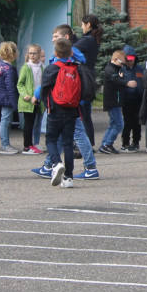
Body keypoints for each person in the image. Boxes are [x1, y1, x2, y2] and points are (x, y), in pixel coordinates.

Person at [30, 26, 101, 182]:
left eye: (56, 36)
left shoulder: (58, 61)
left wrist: (37, 96)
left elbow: (46, 85)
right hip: (74, 104)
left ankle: (89, 166)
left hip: (58, 105)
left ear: (66, 37)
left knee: (64, 136)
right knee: (67, 140)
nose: (53, 39)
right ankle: (53, 167)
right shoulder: (78, 59)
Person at [39, 38, 81, 189]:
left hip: (55, 110)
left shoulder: (51, 68)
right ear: (71, 52)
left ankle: (56, 163)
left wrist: (46, 103)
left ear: (55, 53)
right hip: (71, 111)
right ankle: (69, 177)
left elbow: (44, 89)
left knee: (51, 139)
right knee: (68, 143)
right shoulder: (76, 68)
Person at [74, 14, 102, 147]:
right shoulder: (94, 39)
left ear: (88, 25)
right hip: (89, 78)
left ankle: (85, 145)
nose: (81, 27)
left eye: (82, 24)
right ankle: (89, 143)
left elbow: (70, 49)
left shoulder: (87, 40)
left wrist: (71, 38)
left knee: (83, 114)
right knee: (86, 114)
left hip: (83, 79)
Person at [99, 48, 133, 154]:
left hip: (115, 100)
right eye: (121, 63)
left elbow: (116, 78)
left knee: (113, 123)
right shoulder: (110, 69)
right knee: (119, 124)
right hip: (112, 101)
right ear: (115, 59)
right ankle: (108, 143)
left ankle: (105, 144)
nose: (122, 66)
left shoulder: (115, 69)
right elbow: (115, 79)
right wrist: (126, 82)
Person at [0, 41, 20, 154]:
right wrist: (15, 104)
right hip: (7, 99)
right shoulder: (9, 70)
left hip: (0, 97)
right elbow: (11, 87)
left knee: (5, 120)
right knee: (5, 121)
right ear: (13, 54)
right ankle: (5, 145)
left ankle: (6, 144)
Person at [17, 44, 45, 154]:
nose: (32, 55)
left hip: (38, 99)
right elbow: (20, 84)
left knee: (36, 122)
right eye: (30, 53)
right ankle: (27, 146)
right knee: (28, 123)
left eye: (34, 53)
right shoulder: (26, 67)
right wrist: (25, 95)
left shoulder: (42, 67)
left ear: (39, 54)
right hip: (27, 101)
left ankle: (33, 144)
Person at [120, 45, 145, 152]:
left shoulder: (140, 69)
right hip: (127, 99)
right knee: (127, 121)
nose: (130, 62)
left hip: (138, 99)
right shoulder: (121, 70)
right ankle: (125, 142)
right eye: (128, 60)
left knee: (137, 122)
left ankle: (136, 141)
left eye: (132, 60)